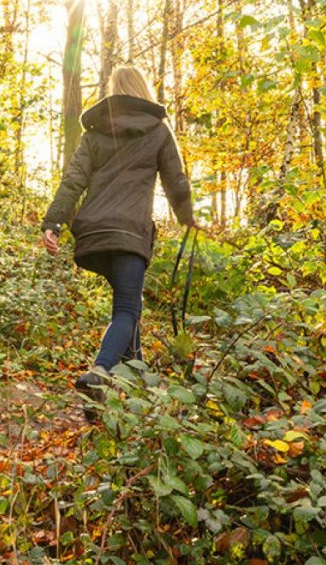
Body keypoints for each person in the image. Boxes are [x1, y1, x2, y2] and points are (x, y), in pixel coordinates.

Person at [40, 66, 195, 404]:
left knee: (130, 310)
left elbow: (73, 181)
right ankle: (100, 370)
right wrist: (189, 220)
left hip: (94, 235)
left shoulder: (95, 133)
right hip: (129, 234)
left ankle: (129, 391)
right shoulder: (157, 130)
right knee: (126, 309)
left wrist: (54, 223)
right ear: (143, 90)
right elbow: (176, 182)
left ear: (114, 91)